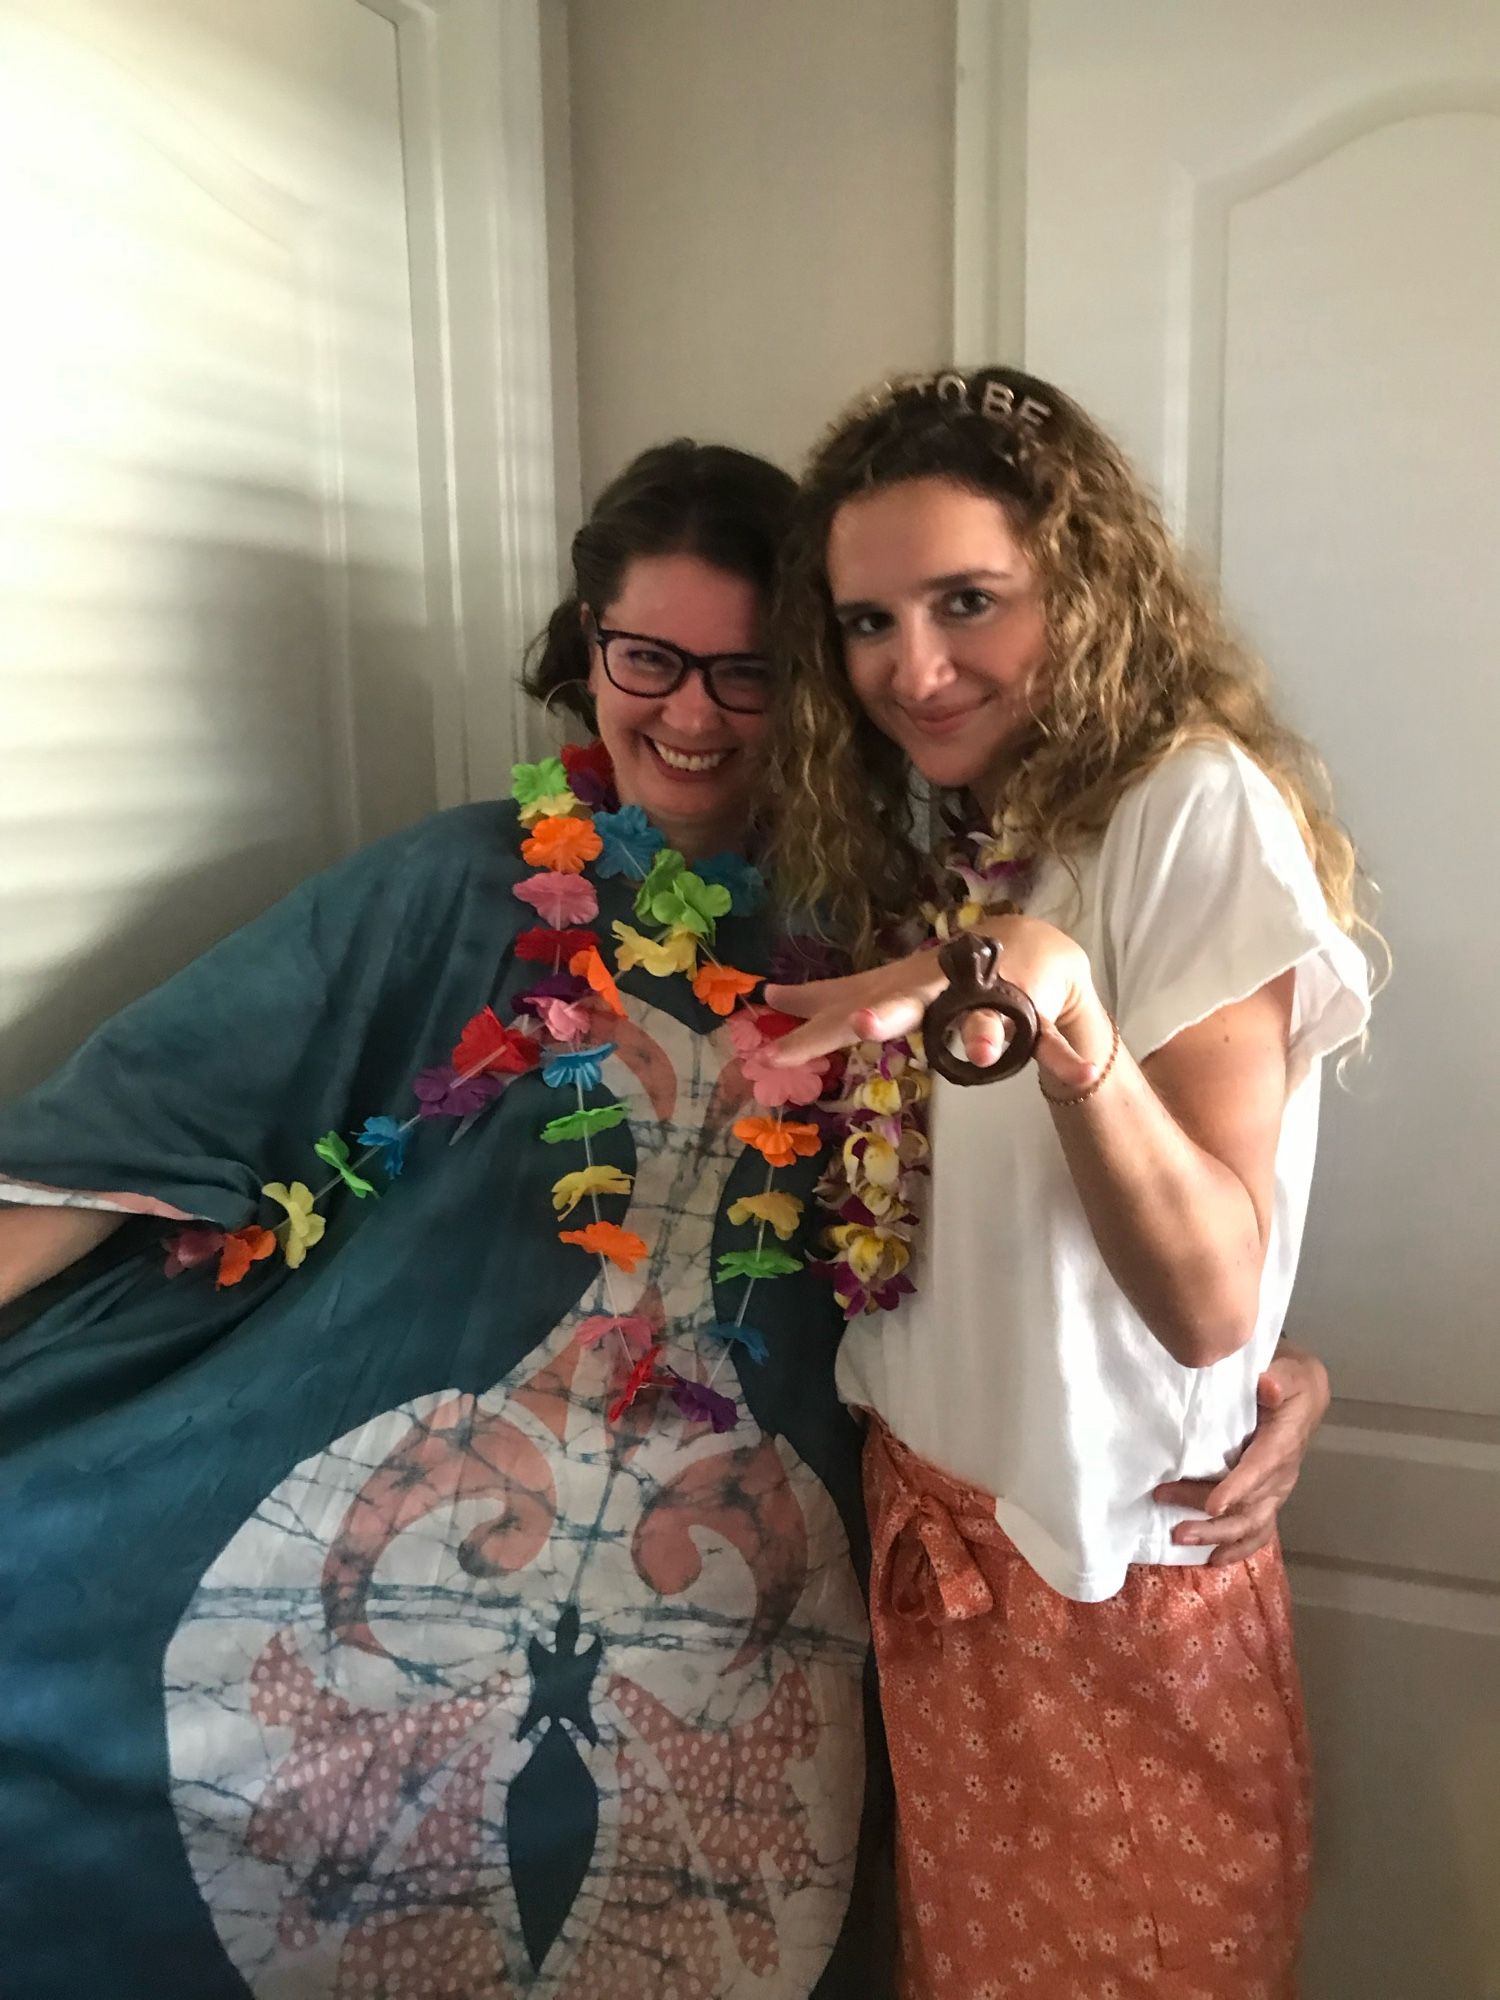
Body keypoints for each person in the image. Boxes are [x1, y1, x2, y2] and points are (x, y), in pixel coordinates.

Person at [0, 433, 1327, 2000]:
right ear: (589, 656)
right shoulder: (453, 888)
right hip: (431, 1526)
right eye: (649, 659)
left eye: (746, 673)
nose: (689, 714)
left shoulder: (919, 920)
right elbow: (133, 1126)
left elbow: (1066, 1205)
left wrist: (1263, 1367)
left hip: (781, 1581)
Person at [759, 366, 1375, 1997]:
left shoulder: (1185, 811)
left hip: (1109, 1587)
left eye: (970, 602)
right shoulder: (957, 828)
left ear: (1081, 586)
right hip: (945, 1550)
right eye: (868, 622)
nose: (915, 666)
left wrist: (1067, 1011)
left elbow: (1205, 1298)